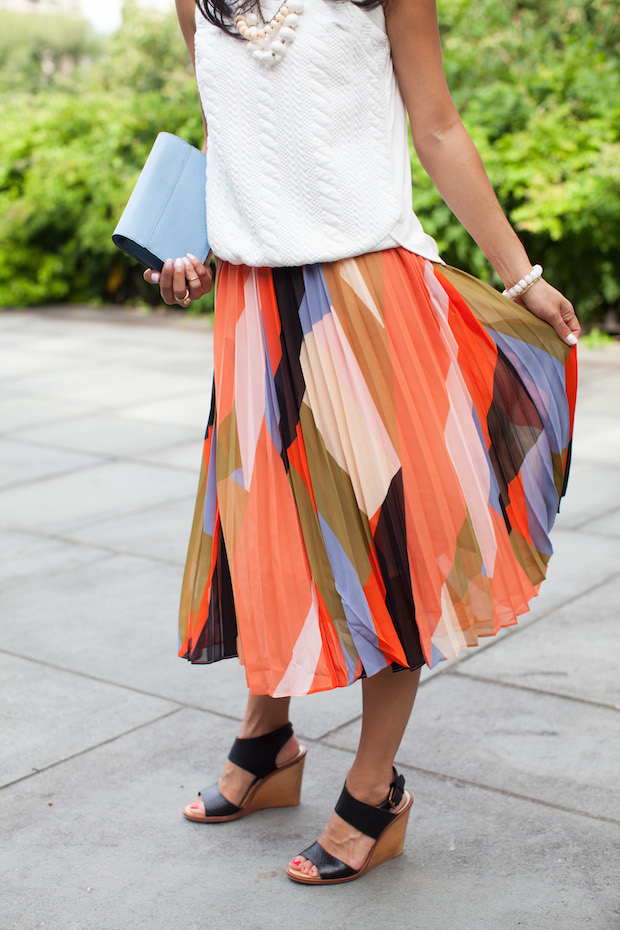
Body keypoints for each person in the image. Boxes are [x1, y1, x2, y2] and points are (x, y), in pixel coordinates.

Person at [144, 0, 579, 885]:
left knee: (388, 543)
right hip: (252, 305)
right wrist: (181, 246)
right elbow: (223, 133)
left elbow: (439, 124)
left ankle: (374, 789)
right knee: (264, 535)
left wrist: (520, 276)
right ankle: (268, 741)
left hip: (366, 295)